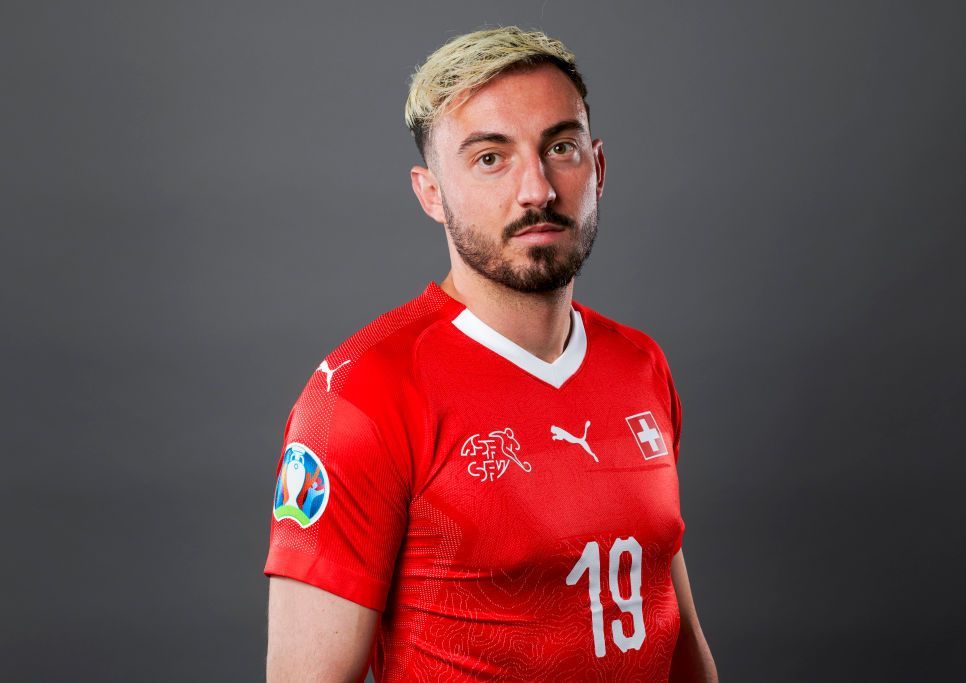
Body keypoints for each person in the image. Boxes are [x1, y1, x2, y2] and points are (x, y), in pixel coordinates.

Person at [264, 26, 717, 682]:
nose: (537, 189)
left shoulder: (640, 365)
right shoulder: (361, 397)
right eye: (490, 158)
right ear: (430, 193)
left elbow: (673, 630)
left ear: (598, 167)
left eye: (559, 148)